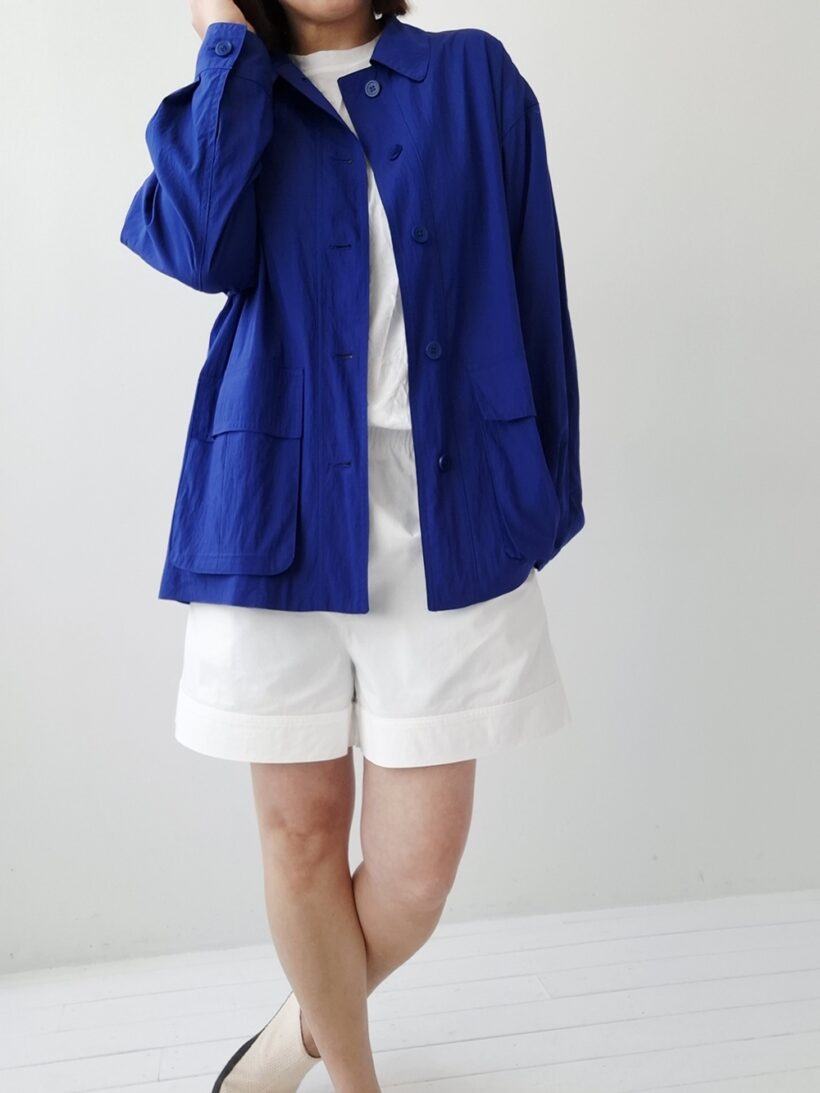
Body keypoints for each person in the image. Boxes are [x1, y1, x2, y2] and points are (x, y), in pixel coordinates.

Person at [119, 0, 585, 1089]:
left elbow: (537, 286)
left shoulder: (471, 77)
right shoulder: (234, 94)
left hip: (448, 511)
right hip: (270, 510)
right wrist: (226, 43)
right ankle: (352, 1081)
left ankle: (282, 1042)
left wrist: (541, 489)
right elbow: (196, 245)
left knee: (416, 874)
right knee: (301, 839)